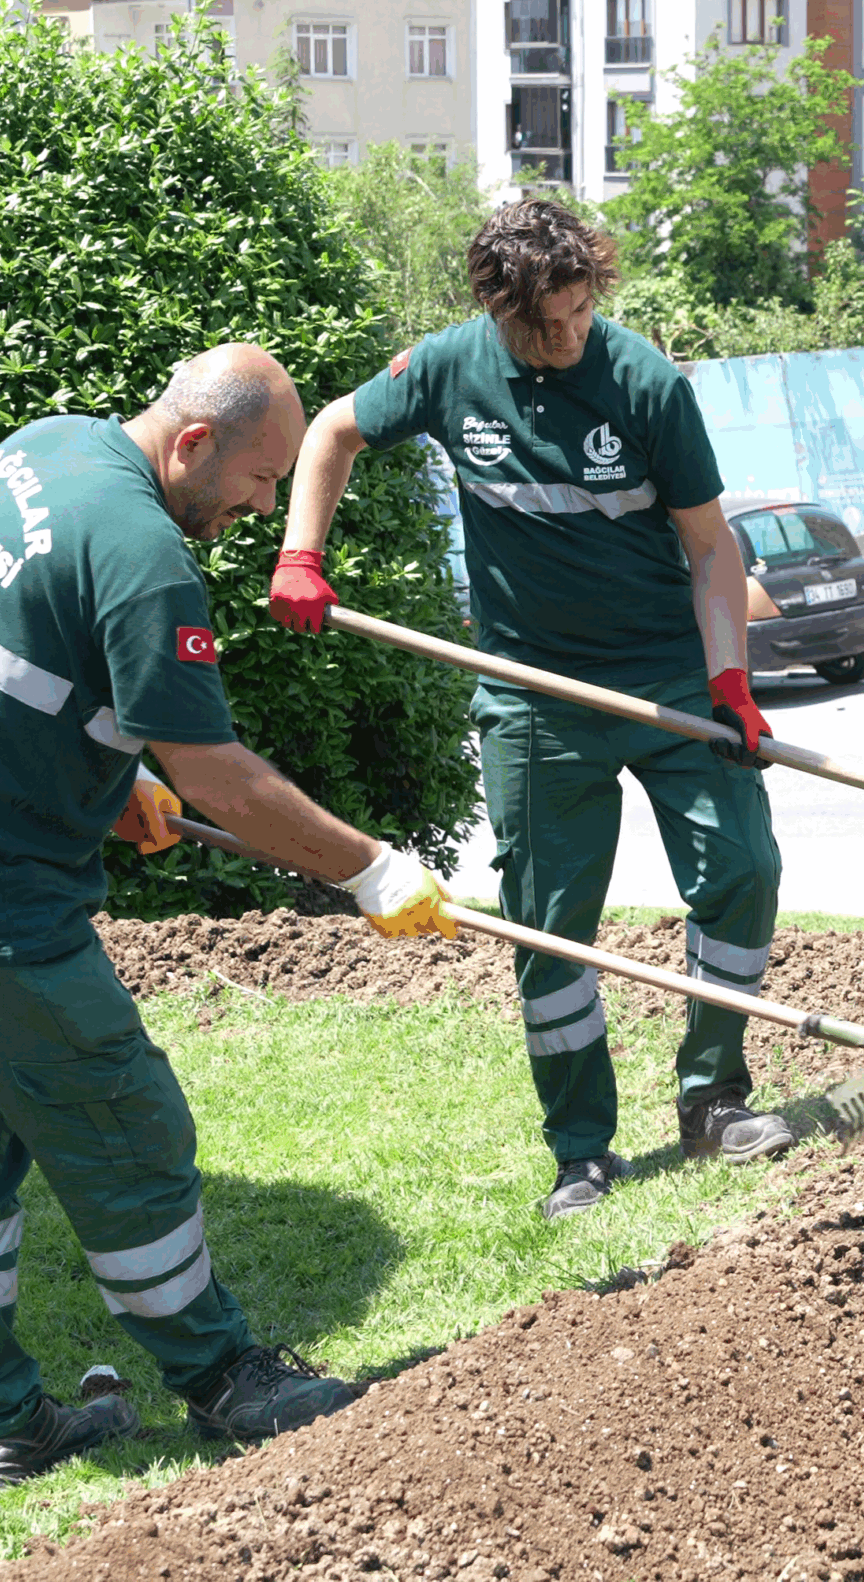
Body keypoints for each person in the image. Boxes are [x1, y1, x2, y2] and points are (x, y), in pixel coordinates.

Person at [0, 345, 460, 1495]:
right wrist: (368, 869)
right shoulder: (148, 555)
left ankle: (0, 1426)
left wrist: (108, 781)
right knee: (125, 1125)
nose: (261, 510)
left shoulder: (39, 450)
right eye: (257, 482)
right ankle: (221, 1377)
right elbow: (219, 775)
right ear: (193, 442)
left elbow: (14, 659)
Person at [266, 199, 794, 1221]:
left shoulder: (642, 381)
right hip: (529, 694)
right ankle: (582, 1154)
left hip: (667, 680)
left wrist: (729, 676)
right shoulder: (451, 368)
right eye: (541, 325)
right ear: (495, 309)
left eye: (578, 313)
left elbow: (710, 546)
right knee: (549, 928)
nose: (563, 339)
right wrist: (301, 552)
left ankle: (715, 1096)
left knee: (741, 867)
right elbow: (332, 429)